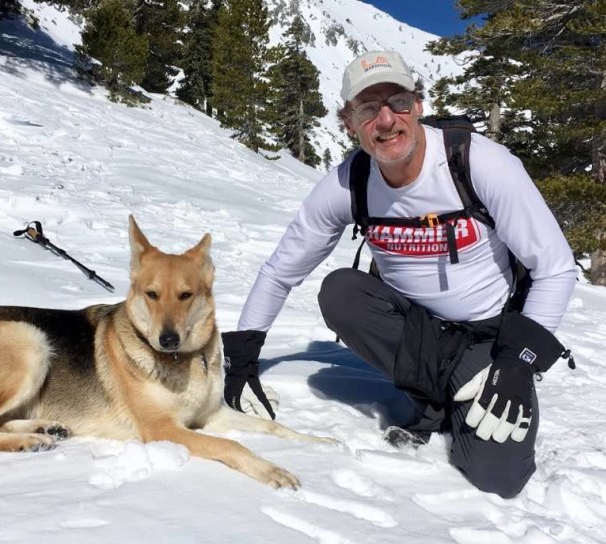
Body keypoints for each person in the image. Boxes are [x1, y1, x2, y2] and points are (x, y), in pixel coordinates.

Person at [221, 51, 577, 499]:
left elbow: (556, 269)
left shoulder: (478, 163)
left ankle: (448, 396)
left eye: (399, 102)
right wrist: (243, 354)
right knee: (342, 292)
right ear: (349, 122)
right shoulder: (351, 182)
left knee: (496, 476)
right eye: (368, 109)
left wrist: (515, 366)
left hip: (492, 336)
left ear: (419, 105)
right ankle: (437, 399)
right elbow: (280, 271)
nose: (387, 120)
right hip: (417, 333)